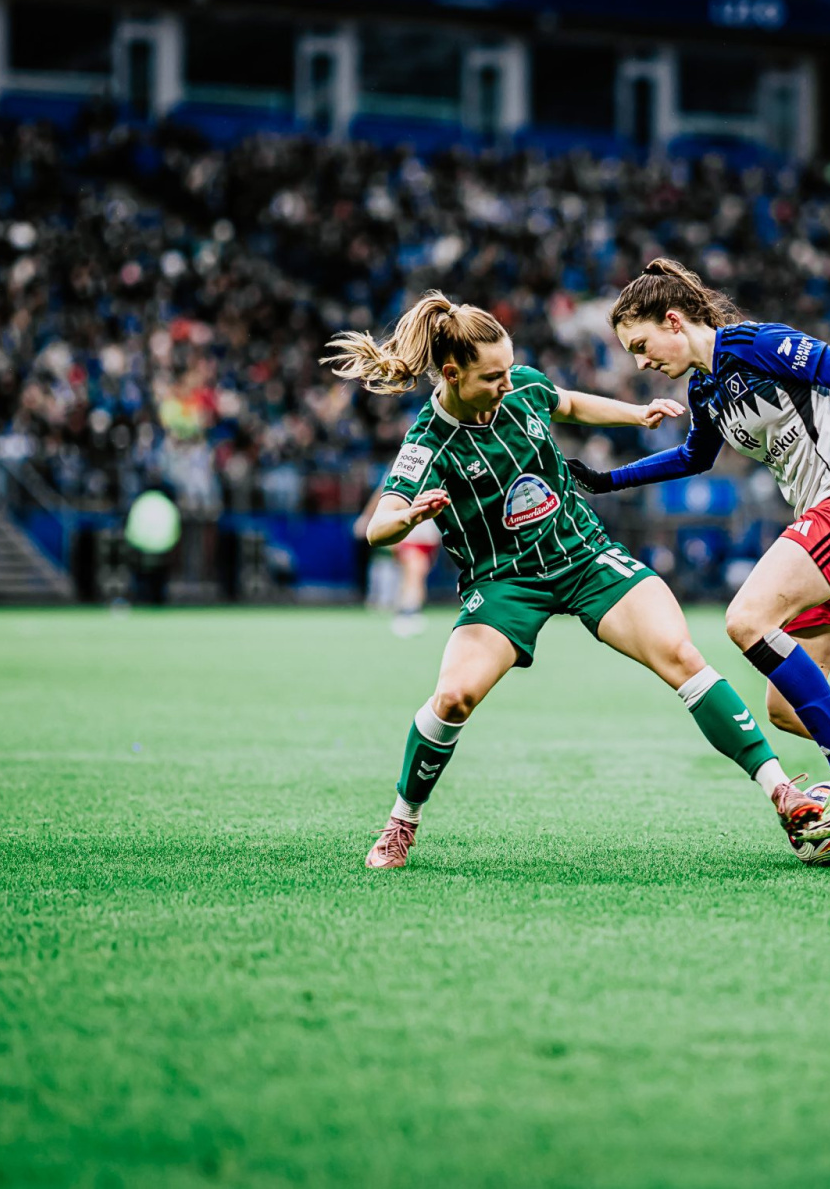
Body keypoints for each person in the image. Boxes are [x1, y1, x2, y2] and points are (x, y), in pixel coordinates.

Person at [325, 290, 790, 870]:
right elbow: (378, 526)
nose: (507, 383)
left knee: (681, 655)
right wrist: (409, 517)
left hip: (583, 554)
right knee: (453, 697)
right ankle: (402, 821)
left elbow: (566, 403)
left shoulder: (520, 385)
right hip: (504, 581)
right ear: (452, 375)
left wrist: (636, 413)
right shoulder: (427, 442)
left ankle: (782, 791)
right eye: (492, 377)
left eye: (508, 369)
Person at [570, 258, 830, 861]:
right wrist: (607, 480)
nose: (640, 363)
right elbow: (693, 458)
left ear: (673, 321)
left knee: (747, 620)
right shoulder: (705, 388)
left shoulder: (757, 344)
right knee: (789, 708)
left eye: (641, 346)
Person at [356, 481, 441, 638]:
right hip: (410, 533)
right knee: (415, 570)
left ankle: (406, 609)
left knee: (418, 574)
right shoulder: (403, 470)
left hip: (430, 535)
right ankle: (408, 612)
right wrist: (366, 517)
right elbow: (382, 494)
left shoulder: (442, 469)